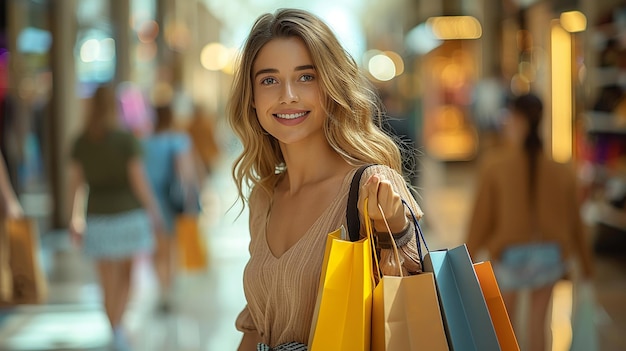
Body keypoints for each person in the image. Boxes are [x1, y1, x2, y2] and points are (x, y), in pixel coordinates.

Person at [227, 8, 423, 350]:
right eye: (269, 80)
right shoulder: (265, 196)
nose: (287, 95)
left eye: (306, 77)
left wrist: (395, 227)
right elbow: (256, 327)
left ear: (332, 86)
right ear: (253, 99)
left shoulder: (370, 185)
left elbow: (415, 300)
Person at [466, 93, 595, 351]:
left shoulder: (495, 165)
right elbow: (574, 221)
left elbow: (481, 218)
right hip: (550, 256)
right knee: (539, 325)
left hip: (510, 256)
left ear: (516, 119)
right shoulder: (562, 169)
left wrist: (466, 257)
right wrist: (587, 265)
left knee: (507, 325)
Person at [68, 84, 162, 351]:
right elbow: (138, 181)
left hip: (97, 217)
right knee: (127, 276)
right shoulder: (125, 139)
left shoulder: (81, 141)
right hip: (128, 215)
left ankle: (113, 327)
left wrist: (73, 219)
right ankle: (117, 325)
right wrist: (154, 211)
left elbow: (75, 185)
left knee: (106, 280)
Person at [142, 103, 198, 312]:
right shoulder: (179, 140)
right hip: (170, 199)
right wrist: (191, 199)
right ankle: (168, 288)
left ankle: (162, 288)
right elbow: (186, 172)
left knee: (157, 247)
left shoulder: (145, 142)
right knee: (171, 246)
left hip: (149, 200)